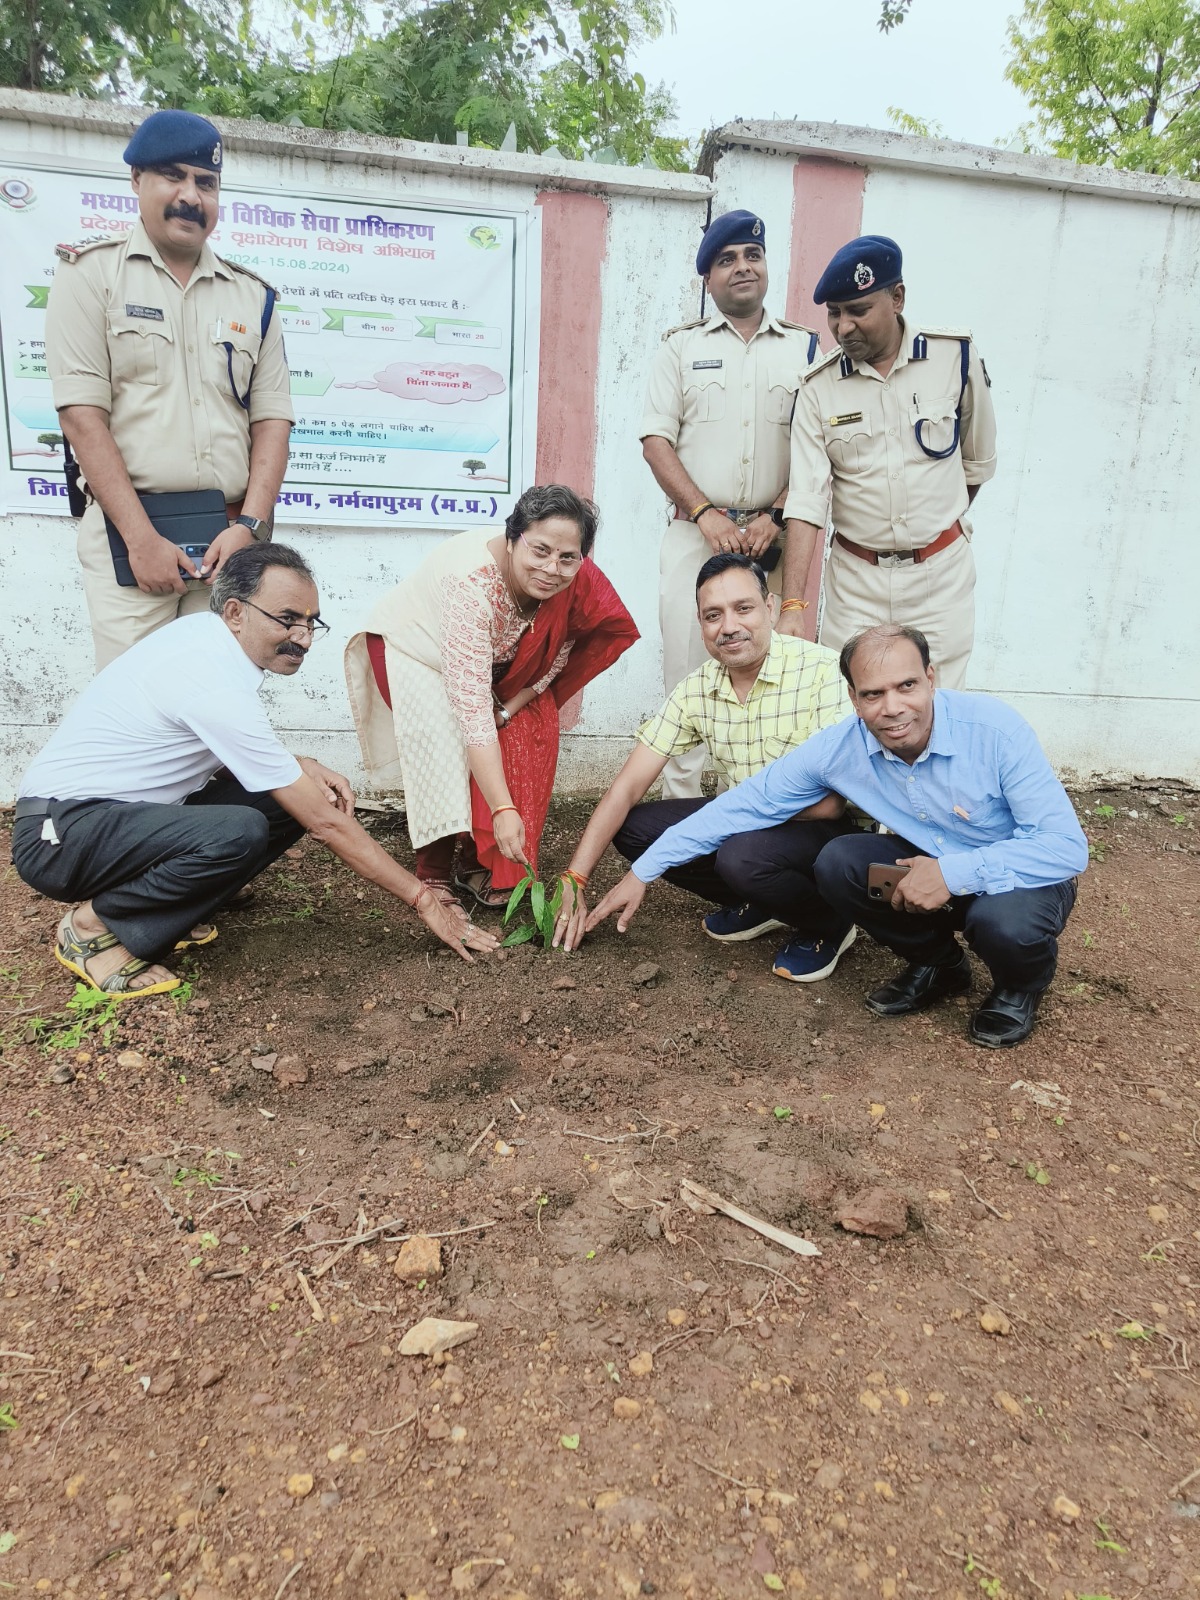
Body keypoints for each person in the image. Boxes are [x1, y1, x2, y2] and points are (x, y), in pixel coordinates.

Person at [11, 544, 494, 1000]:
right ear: (236, 611)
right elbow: (326, 826)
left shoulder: (207, 643)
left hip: (111, 819)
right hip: (61, 836)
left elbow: (206, 747)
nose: (303, 637)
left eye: (310, 622)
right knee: (241, 829)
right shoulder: (211, 676)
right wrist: (422, 898)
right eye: (287, 619)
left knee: (285, 800)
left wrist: (299, 765)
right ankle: (93, 929)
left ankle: (167, 909)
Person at [589, 624, 1086, 1049]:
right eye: (873, 694)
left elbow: (1065, 848)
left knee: (1003, 923)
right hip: (925, 866)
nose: (892, 708)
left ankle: (1018, 988)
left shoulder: (995, 731)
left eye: (907, 686)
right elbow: (739, 807)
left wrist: (954, 873)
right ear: (853, 698)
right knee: (841, 862)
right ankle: (939, 964)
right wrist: (642, 871)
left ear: (931, 680)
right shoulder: (839, 748)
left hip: (1018, 874)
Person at [44, 109, 294, 671]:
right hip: (134, 540)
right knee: (140, 720)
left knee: (218, 712)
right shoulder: (90, 275)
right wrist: (141, 539)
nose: (190, 196)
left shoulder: (253, 297)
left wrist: (249, 529)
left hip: (230, 539)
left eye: (205, 183)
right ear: (137, 182)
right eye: (172, 177)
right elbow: (82, 418)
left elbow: (272, 422)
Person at [551, 553, 858, 981]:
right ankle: (767, 903)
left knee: (741, 854)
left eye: (743, 608)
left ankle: (829, 921)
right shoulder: (699, 688)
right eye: (713, 615)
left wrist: (727, 819)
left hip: (820, 831)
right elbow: (626, 788)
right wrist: (575, 878)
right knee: (636, 827)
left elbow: (828, 806)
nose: (728, 626)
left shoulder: (822, 672)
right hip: (747, 823)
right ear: (701, 624)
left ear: (770, 608)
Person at [344, 485, 639, 912]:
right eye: (539, 550)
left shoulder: (573, 579)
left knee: (521, 728)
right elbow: (471, 713)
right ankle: (434, 874)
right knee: (445, 740)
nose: (551, 568)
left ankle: (475, 859)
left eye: (567, 557)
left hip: (490, 667)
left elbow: (557, 654)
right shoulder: (471, 586)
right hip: (415, 648)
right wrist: (503, 807)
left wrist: (513, 705)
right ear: (513, 537)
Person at [640, 209, 820, 797]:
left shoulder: (808, 349)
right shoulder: (680, 349)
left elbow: (820, 447)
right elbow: (656, 442)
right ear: (708, 279)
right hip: (697, 535)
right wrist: (704, 513)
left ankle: (763, 816)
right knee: (687, 675)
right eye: (726, 260)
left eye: (752, 255)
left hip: (778, 539)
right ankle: (680, 817)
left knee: (777, 680)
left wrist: (775, 515)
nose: (742, 267)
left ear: (766, 266)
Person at [780, 236, 996, 690]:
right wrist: (792, 608)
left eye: (858, 310)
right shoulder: (818, 388)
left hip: (940, 577)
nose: (843, 328)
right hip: (857, 580)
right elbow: (806, 500)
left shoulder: (954, 359)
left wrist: (930, 528)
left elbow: (975, 464)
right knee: (849, 705)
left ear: (897, 298)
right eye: (834, 313)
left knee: (941, 706)